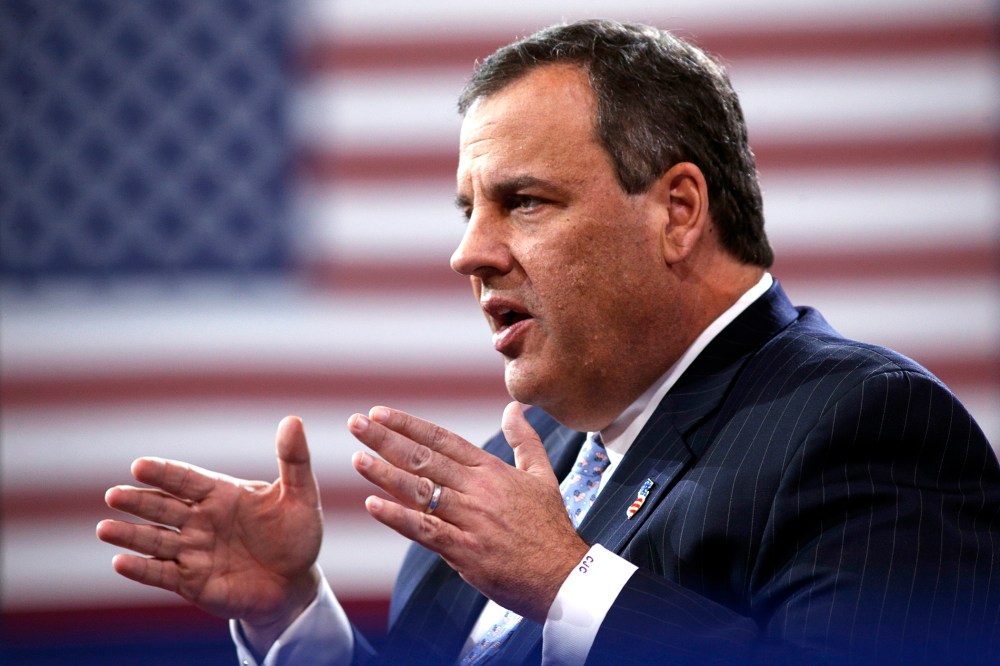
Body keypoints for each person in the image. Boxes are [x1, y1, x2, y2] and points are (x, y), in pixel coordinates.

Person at [97, 19, 1000, 665]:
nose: (468, 253)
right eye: (468, 210)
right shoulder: (509, 474)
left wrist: (568, 583)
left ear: (678, 212)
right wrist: (296, 619)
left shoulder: (867, 427)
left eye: (524, 202)